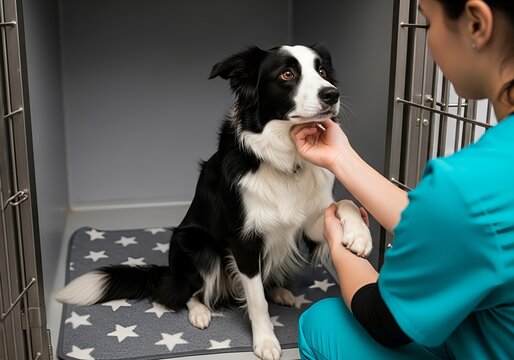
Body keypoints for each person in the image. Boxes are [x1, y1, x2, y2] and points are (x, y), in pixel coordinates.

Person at [291, 0, 514, 358]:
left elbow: (383, 320)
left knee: (322, 320)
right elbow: (455, 228)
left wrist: (338, 245)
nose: (429, 39)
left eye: (428, 22)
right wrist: (341, 158)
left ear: (476, 24)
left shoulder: (469, 185)